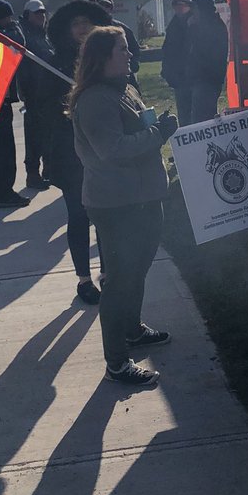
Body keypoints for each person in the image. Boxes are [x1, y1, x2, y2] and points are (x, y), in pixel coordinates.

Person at [70, 26, 178, 388]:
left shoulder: (125, 88)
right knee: (119, 282)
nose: (130, 53)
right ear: (102, 57)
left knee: (138, 270)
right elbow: (112, 150)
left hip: (144, 199)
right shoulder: (95, 101)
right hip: (117, 205)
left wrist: (155, 126)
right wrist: (157, 134)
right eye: (122, 49)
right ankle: (117, 362)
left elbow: (139, 126)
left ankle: (132, 330)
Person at [38, 0, 111, 304]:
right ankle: (84, 278)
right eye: (76, 24)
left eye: (87, 22)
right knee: (79, 214)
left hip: (106, 151)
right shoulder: (54, 66)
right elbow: (44, 110)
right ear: (67, 30)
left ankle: (108, 273)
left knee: (107, 215)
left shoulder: (108, 58)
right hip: (71, 154)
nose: (82, 29)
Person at [0, 0, 30, 209]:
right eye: (8, 17)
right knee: (3, 150)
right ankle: (4, 192)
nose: (11, 20)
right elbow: (20, 45)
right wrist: (14, 27)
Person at [17, 0, 53, 191]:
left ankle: (49, 169)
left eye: (43, 13)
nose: (41, 17)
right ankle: (33, 174)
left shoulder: (44, 36)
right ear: (27, 15)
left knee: (48, 135)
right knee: (34, 138)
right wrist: (27, 93)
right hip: (33, 94)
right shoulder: (24, 36)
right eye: (36, 14)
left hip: (47, 94)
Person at [186, 0, 229, 123]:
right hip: (208, 80)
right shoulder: (214, 23)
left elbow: (201, 51)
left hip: (206, 80)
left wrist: (192, 29)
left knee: (202, 120)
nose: (193, 12)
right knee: (205, 117)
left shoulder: (210, 26)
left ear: (202, 10)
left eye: (196, 8)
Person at [160, 0, 193, 127]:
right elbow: (167, 51)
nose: (179, 8)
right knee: (184, 116)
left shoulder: (194, 23)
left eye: (182, 5)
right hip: (179, 78)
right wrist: (168, 73)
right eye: (176, 5)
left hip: (195, 75)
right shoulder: (173, 26)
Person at [94, 0, 141, 87]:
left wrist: (131, 66)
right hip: (100, 80)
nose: (104, 8)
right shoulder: (91, 31)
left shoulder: (122, 29)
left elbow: (135, 50)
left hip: (125, 78)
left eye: (107, 5)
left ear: (112, 8)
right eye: (100, 6)